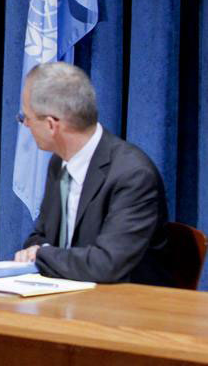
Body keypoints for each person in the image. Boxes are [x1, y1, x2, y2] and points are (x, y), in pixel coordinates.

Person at [13, 62, 172, 285]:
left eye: (26, 118)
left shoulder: (133, 175)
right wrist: (37, 250)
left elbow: (106, 265)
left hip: (126, 308)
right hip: (68, 296)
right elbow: (40, 236)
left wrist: (41, 255)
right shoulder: (59, 163)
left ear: (51, 125)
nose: (26, 125)